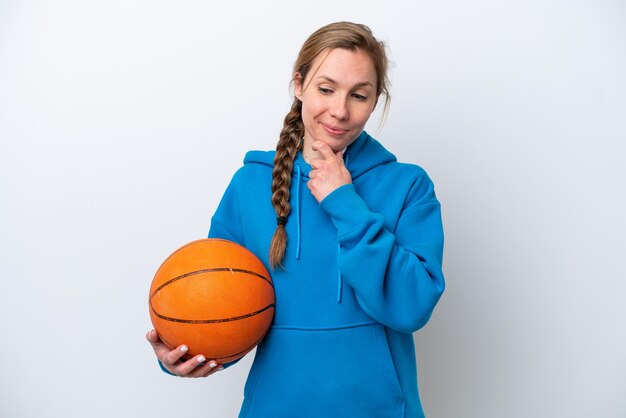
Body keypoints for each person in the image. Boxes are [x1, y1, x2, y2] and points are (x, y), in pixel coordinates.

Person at [147, 21, 445, 418]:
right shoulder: (249, 185)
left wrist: (346, 204)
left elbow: (412, 307)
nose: (340, 110)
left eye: (359, 95)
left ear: (375, 101)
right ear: (299, 84)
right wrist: (183, 353)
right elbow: (222, 306)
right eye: (326, 89)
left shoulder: (408, 185)